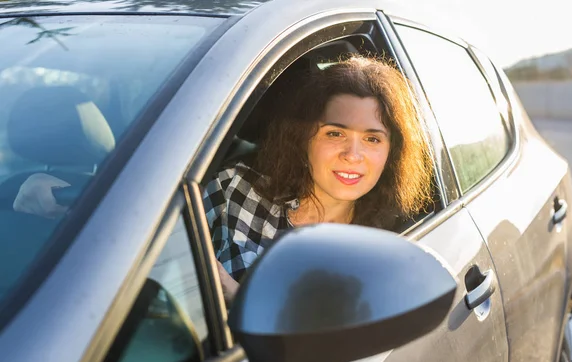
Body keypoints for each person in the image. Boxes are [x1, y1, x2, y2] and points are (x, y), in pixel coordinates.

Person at [13, 56, 434, 306]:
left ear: (390, 151)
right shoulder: (239, 188)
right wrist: (62, 199)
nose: (353, 155)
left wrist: (223, 287)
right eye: (335, 133)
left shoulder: (390, 244)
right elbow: (149, 223)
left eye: (372, 139)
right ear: (305, 137)